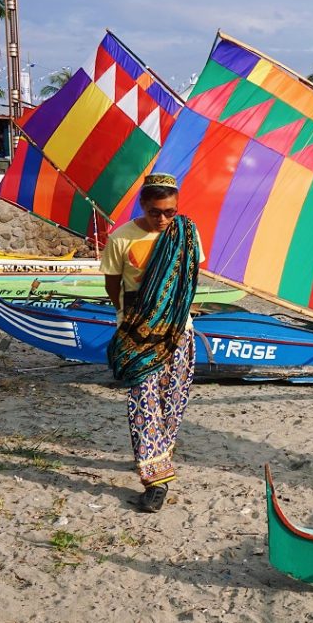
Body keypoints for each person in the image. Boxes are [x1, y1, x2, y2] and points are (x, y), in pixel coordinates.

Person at [101, 173, 204, 512]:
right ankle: (156, 481)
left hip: (178, 331)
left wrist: (176, 309)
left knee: (172, 402)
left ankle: (157, 454)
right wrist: (127, 318)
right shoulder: (121, 238)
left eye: (169, 212)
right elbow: (113, 286)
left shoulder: (186, 233)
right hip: (138, 333)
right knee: (143, 402)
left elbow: (190, 278)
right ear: (142, 205)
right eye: (155, 211)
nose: (162, 219)